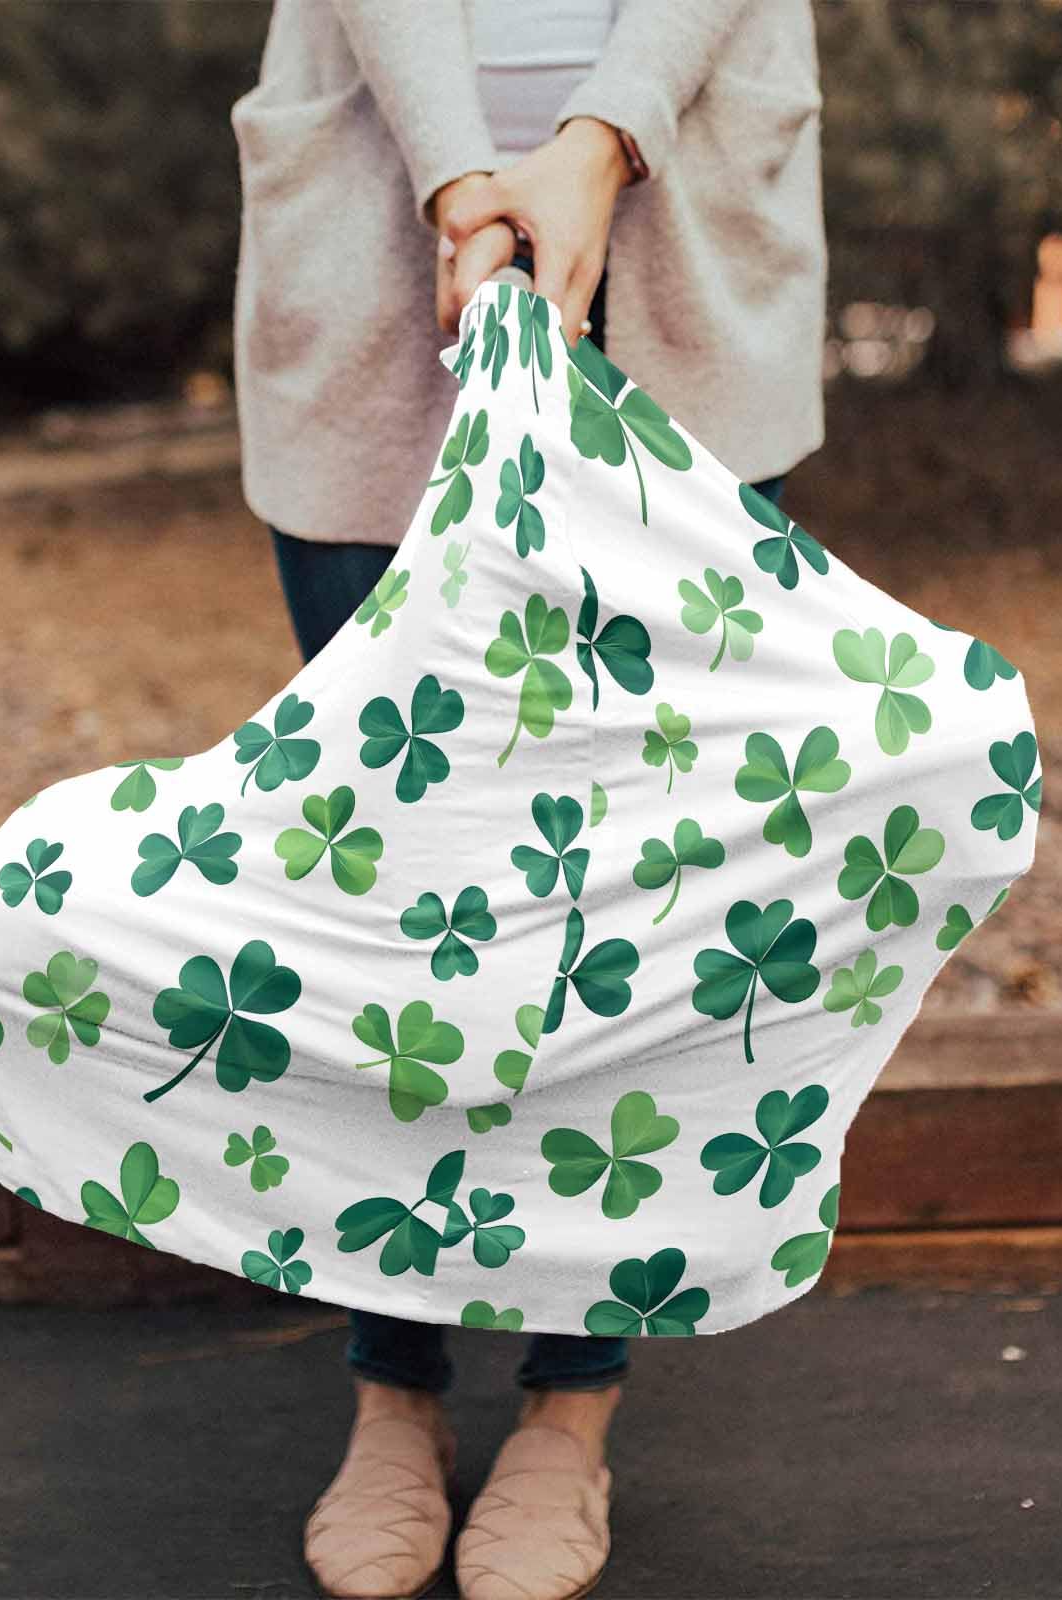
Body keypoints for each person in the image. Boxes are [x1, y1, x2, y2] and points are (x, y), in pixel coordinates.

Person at [229, 4, 826, 1596]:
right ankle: (393, 1389)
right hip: (379, 230)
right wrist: (457, 178)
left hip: (681, 226)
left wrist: (599, 138)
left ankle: (572, 1408)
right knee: (389, 882)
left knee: (634, 892)